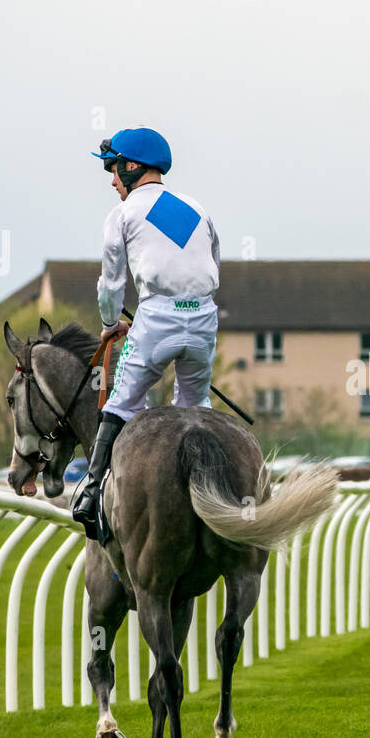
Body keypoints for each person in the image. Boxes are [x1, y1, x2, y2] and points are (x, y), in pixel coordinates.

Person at [70, 128, 222, 540]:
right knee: (195, 404)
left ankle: (90, 490)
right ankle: (212, 489)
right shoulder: (198, 207)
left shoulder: (121, 215)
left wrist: (109, 327)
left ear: (131, 166)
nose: (112, 179)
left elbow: (111, 286)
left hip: (155, 317)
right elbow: (210, 268)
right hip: (205, 316)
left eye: (112, 168)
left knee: (122, 401)